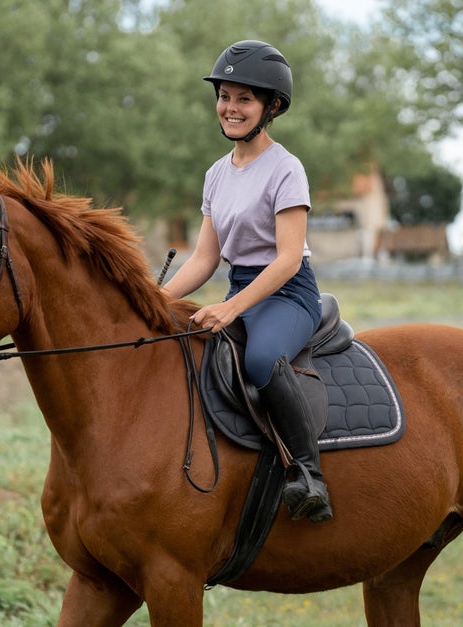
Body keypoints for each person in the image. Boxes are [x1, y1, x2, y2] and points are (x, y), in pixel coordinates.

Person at [163, 40, 332, 524]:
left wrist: (232, 309)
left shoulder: (286, 168)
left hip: (288, 291)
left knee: (259, 357)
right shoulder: (216, 174)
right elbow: (204, 259)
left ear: (271, 106)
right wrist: (152, 296)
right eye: (225, 96)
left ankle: (309, 474)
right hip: (241, 287)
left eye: (244, 99)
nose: (230, 108)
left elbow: (285, 260)